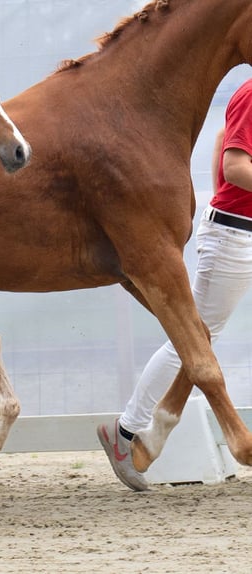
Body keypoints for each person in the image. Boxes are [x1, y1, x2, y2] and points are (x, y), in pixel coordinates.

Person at [97, 77, 252, 491]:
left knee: (198, 336)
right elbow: (234, 166)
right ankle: (128, 430)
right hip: (237, 236)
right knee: (194, 337)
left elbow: (224, 140)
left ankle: (151, 430)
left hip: (241, 231)